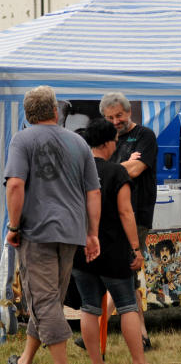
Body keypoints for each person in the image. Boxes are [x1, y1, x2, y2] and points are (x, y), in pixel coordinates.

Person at [4, 85, 101, 364]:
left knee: (44, 301)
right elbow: (94, 192)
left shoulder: (22, 139)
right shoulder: (79, 142)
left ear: (27, 114)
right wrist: (92, 234)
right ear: (56, 112)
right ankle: (25, 359)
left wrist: (13, 227)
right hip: (71, 231)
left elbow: (15, 185)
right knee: (51, 300)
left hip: (37, 231)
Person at [72, 118, 147, 364]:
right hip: (113, 250)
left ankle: (96, 361)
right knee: (127, 306)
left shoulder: (77, 172)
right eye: (115, 140)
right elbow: (126, 213)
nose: (117, 144)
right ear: (106, 143)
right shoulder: (116, 172)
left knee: (89, 307)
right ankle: (139, 361)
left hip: (82, 249)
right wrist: (136, 249)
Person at [98, 92, 157, 350]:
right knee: (127, 274)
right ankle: (142, 336)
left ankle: (98, 325)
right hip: (110, 215)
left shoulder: (144, 136)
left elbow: (136, 169)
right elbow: (97, 171)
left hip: (137, 215)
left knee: (124, 270)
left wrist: (112, 169)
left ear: (129, 112)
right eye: (109, 117)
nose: (115, 121)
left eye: (119, 115)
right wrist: (122, 166)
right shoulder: (106, 138)